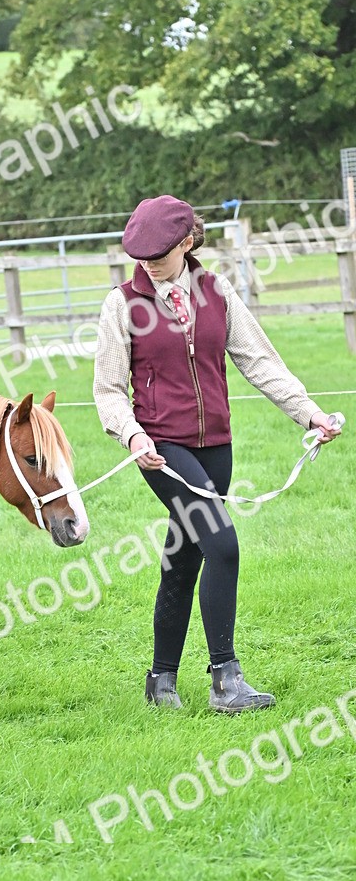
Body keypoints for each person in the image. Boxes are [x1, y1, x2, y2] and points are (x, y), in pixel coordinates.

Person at [93, 195, 341, 712]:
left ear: (187, 243)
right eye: (140, 256)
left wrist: (310, 413)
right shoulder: (122, 305)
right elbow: (109, 390)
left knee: (183, 558)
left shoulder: (216, 291)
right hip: (162, 448)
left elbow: (259, 360)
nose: (147, 263)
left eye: (159, 254)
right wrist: (133, 436)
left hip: (217, 447)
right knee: (223, 545)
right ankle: (226, 680)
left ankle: (160, 680)